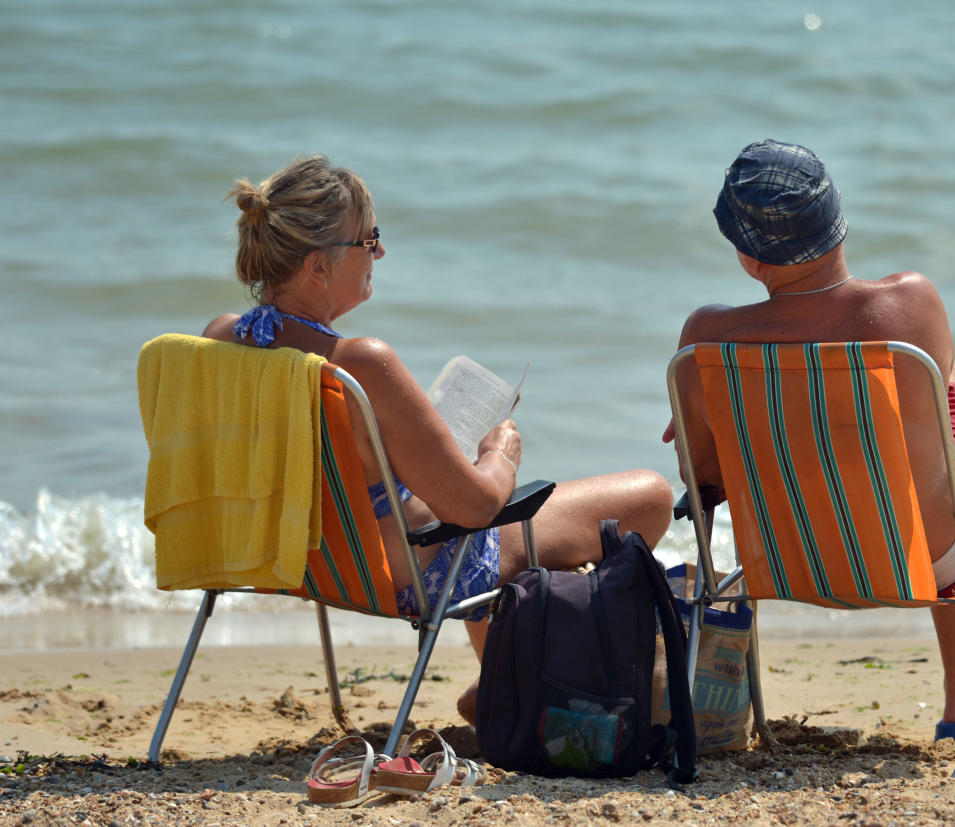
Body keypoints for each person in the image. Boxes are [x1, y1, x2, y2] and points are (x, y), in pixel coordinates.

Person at [203, 155, 674, 723]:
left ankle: (506, 674)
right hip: (390, 571)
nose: (380, 252)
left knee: (451, 504)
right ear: (317, 269)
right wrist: (498, 453)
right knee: (644, 497)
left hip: (301, 560)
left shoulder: (222, 339)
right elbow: (475, 506)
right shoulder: (359, 365)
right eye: (367, 239)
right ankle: (520, 682)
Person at [662, 139, 955, 744]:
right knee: (941, 407)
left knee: (885, 424)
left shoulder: (706, 338)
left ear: (748, 257)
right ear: (838, 220)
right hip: (924, 557)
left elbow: (703, 477)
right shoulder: (910, 304)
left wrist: (701, 416)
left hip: (784, 560)